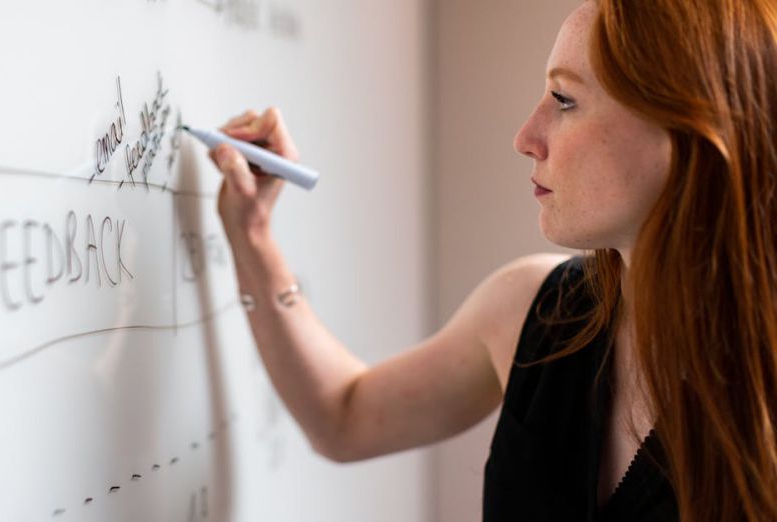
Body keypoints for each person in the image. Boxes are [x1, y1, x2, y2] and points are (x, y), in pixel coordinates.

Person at [207, 0, 777, 520]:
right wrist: (253, 235)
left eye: (564, 99)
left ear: (687, 131)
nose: (526, 136)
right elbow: (343, 417)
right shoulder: (536, 311)